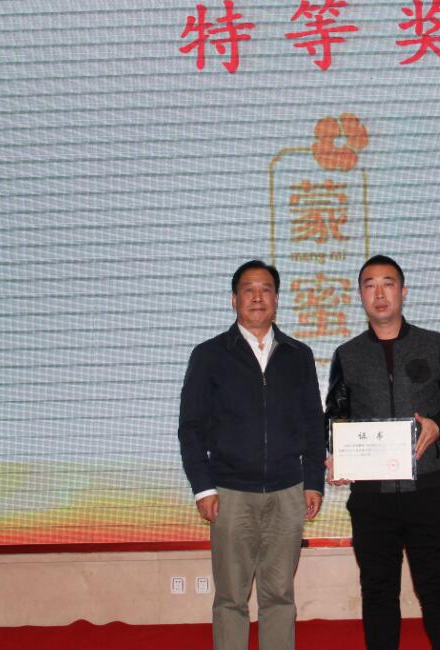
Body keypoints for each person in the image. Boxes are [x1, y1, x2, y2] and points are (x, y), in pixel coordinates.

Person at [325, 255, 440, 650]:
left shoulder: (433, 343)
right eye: (369, 285)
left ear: (403, 292)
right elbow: (336, 415)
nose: (379, 293)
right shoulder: (347, 354)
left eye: (388, 283)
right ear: (360, 295)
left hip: (428, 490)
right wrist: (336, 453)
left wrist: (439, 423)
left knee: (436, 586)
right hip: (372, 498)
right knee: (377, 591)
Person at [179, 260, 326, 650]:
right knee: (231, 598)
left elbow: (314, 424)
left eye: (266, 289)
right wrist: (203, 488)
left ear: (277, 299)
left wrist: (313, 482)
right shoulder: (210, 355)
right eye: (248, 289)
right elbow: (191, 428)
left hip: (287, 493)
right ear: (234, 299)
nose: (257, 297)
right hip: (229, 493)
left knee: (280, 595)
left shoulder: (298, 354)